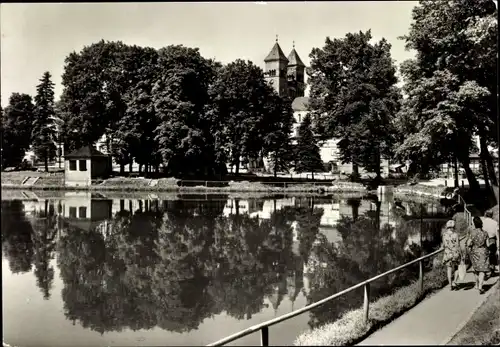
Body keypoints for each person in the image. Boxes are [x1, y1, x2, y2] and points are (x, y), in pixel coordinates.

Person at [466, 217, 490, 294]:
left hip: (474, 252)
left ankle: (476, 285)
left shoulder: (472, 233)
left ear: (474, 224)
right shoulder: (485, 233)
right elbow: (488, 244)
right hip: (483, 251)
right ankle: (480, 286)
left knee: (476, 269)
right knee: (482, 270)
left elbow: (469, 243)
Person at [441, 220, 461, 290]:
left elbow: (443, 245)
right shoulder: (456, 235)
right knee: (457, 268)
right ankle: (455, 281)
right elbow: (458, 245)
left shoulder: (444, 235)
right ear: (453, 226)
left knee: (449, 269)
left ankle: (450, 286)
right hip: (455, 254)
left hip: (447, 254)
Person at [481, 210, 499, 275]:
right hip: (492, 239)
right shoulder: (495, 222)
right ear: (492, 215)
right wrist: (498, 242)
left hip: (484, 239)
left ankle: (484, 271)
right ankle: (492, 270)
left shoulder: (483, 222)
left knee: (485, 255)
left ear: (486, 214)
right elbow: (497, 233)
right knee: (492, 255)